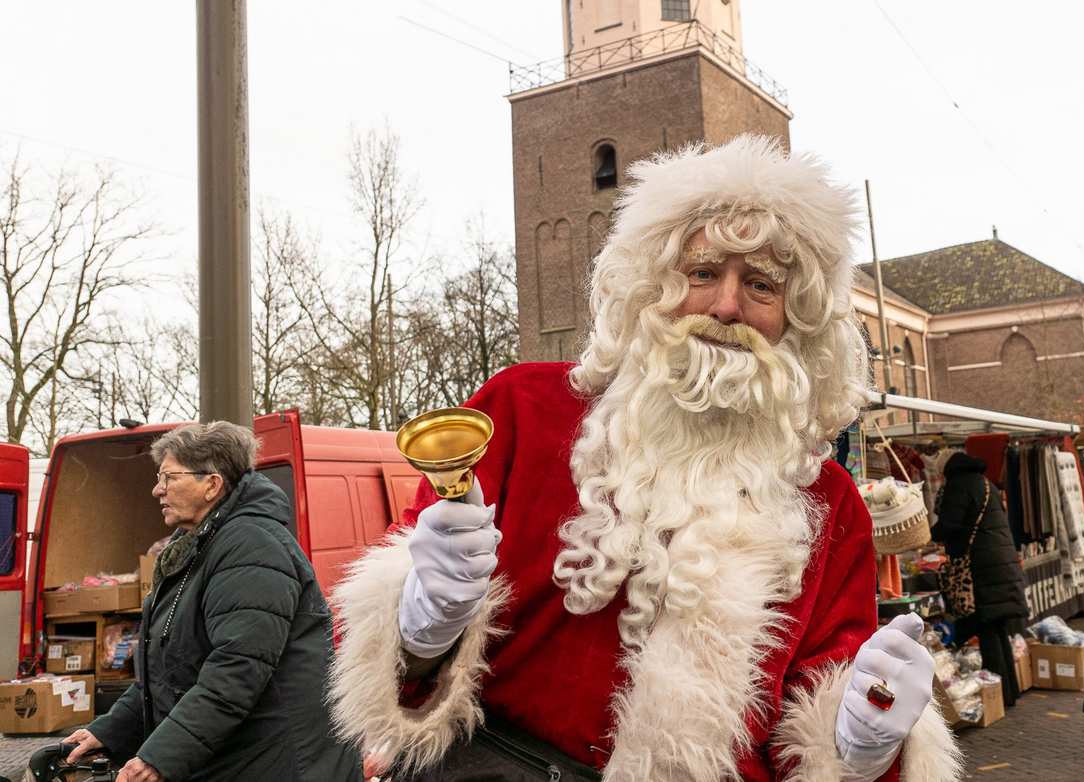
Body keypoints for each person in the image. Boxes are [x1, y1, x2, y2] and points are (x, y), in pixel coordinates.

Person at [326, 137, 961, 782]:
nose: (726, 306)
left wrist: (861, 749)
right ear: (650, 286)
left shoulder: (831, 507)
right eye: (703, 272)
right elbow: (397, 669)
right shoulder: (522, 409)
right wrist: (419, 631)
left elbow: (826, 700)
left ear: (798, 321)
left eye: (762, 285)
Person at [63, 422, 361, 782]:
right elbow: (168, 676)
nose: (157, 490)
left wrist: (159, 758)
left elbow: (235, 672)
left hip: (279, 763)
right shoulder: (199, 547)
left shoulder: (250, 546)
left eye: (169, 478)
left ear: (212, 485)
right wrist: (109, 732)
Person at [929, 452, 1028, 707]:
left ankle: (999, 696)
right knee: (996, 630)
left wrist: (926, 535)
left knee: (988, 631)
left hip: (981, 569)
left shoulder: (959, 485)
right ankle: (1009, 692)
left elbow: (950, 524)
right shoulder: (985, 482)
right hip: (998, 564)